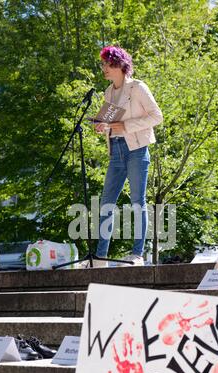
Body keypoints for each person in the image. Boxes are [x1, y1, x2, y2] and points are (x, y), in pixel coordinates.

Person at [84, 46, 163, 268]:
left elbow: (157, 116)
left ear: (119, 65)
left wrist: (125, 126)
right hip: (116, 151)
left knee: (138, 201)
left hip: (137, 150)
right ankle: (100, 258)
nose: (104, 69)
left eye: (107, 64)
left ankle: (137, 255)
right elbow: (110, 124)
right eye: (103, 65)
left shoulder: (137, 87)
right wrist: (103, 127)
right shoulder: (109, 92)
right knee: (106, 203)